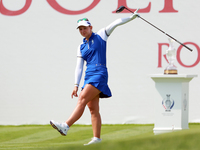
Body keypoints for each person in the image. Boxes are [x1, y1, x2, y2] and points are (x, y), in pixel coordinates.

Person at [50, 10, 139, 145]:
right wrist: (75, 84)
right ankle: (97, 139)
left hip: (100, 73)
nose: (82, 30)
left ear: (90, 27)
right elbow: (79, 67)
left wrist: (131, 18)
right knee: (93, 109)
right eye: (80, 29)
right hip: (89, 76)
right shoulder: (81, 46)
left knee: (82, 99)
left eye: (85, 28)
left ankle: (66, 126)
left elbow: (115, 23)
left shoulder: (101, 35)